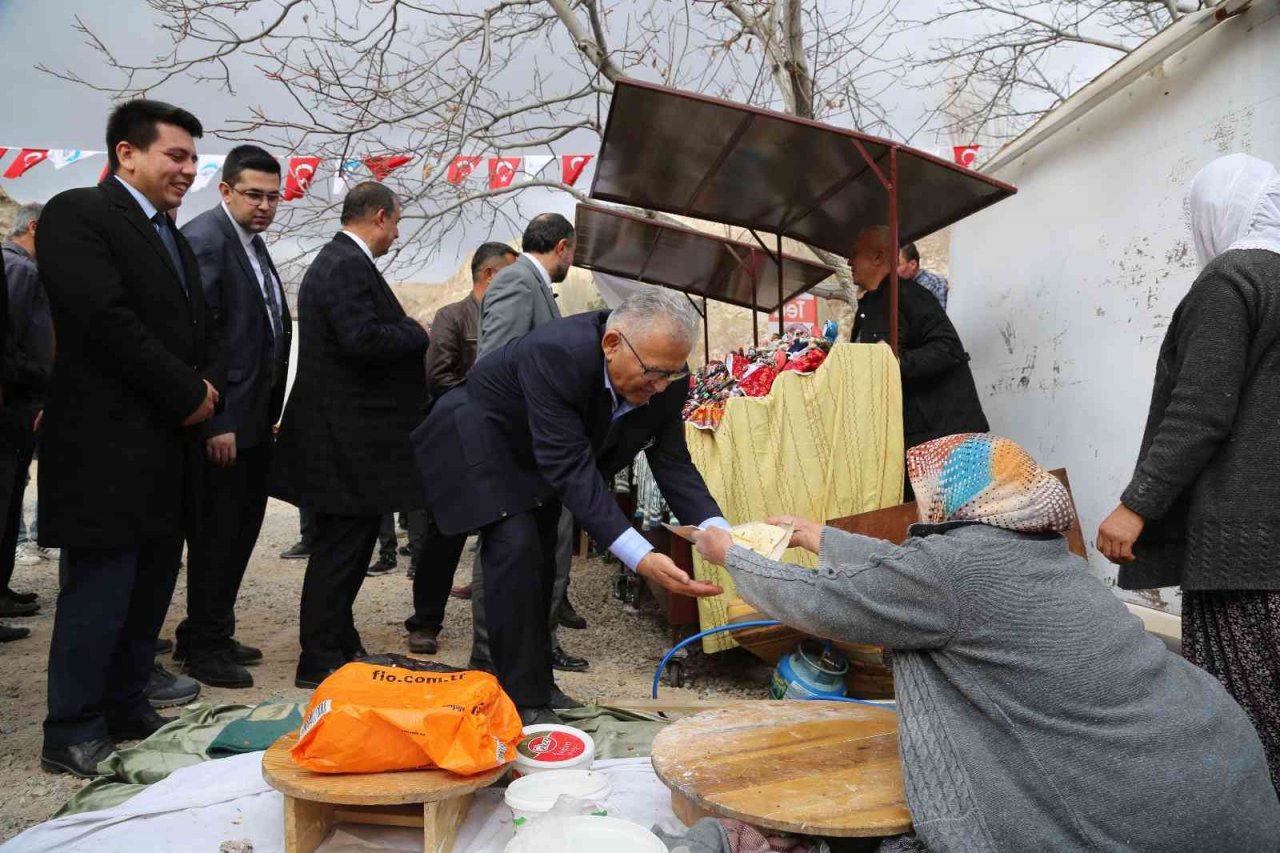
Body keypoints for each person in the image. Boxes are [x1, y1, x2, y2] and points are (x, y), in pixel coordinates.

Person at [693, 434, 1280, 852]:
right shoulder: (1045, 555)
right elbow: (914, 577)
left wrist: (734, 556)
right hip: (1215, 761)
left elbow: (829, 600)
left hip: (1146, 811)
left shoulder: (954, 572)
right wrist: (818, 536)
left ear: (952, 501)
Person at [412, 291, 728, 724]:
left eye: (671, 376)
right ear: (612, 344)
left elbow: (672, 460)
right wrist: (641, 556)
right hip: (483, 441)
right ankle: (521, 702)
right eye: (654, 373)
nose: (660, 387)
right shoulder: (557, 353)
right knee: (516, 549)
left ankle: (536, 686)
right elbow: (572, 469)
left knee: (543, 563)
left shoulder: (668, 377)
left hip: (539, 456)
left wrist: (715, 528)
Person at [37, 99, 223, 777]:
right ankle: (72, 728)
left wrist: (205, 387)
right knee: (99, 593)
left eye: (194, 158)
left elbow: (189, 330)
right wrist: (187, 392)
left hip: (165, 451)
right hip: (104, 449)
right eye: (176, 155)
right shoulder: (78, 214)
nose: (189, 170)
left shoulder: (168, 233)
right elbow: (106, 322)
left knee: (147, 589)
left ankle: (125, 704)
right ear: (127, 153)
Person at [1096, 152, 1280, 789]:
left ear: (1217, 213)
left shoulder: (1233, 281)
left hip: (1244, 553)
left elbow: (1200, 410)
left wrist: (1136, 504)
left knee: (1246, 724)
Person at [270, 181, 429, 689]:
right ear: (379, 216)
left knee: (352, 549)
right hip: (342, 442)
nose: (397, 235)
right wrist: (416, 331)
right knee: (339, 552)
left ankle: (340, 641)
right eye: (397, 223)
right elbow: (360, 339)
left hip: (349, 441)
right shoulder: (343, 265)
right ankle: (319, 658)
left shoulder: (344, 263)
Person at [169, 145, 292, 689]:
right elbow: (199, 341)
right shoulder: (206, 240)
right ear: (225, 190)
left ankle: (208, 630)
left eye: (273, 197)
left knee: (238, 532)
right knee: (217, 537)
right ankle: (205, 648)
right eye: (254, 195)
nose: (265, 206)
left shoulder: (251, 243)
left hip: (254, 422)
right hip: (222, 425)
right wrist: (217, 421)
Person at [469, 213, 588, 674]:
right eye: (573, 252)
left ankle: (535, 650)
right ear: (562, 247)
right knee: (504, 551)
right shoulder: (517, 282)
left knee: (544, 551)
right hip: (518, 447)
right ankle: (490, 658)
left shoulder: (531, 284)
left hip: (537, 447)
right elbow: (495, 366)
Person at [404, 241, 517, 648]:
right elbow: (438, 378)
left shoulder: (514, 318)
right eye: (511, 274)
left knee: (505, 532)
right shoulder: (452, 316)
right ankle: (425, 622)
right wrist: (485, 405)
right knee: (445, 533)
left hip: (503, 441)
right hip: (459, 440)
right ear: (489, 274)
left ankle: (497, 627)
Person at [851, 226, 987, 452]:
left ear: (878, 257)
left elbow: (948, 348)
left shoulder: (911, 296)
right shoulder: (868, 306)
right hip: (908, 438)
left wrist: (896, 362)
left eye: (855, 254)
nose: (849, 262)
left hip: (943, 439)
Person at [0, 203, 52, 623]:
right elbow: (10, 342)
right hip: (14, 404)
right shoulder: (20, 269)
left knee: (12, 497)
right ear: (34, 228)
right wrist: (39, 379)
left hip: (20, 402)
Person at [897, 242, 949, 310]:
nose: (891, 269)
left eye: (897, 264)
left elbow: (940, 315)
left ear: (913, 264)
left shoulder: (936, 285)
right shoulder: (896, 285)